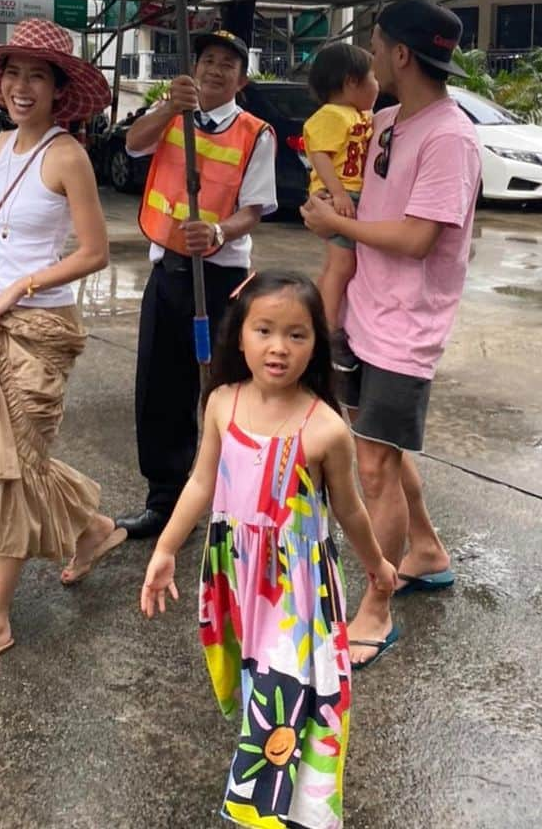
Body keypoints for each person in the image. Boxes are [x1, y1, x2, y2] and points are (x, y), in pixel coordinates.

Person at [140, 272, 397, 829]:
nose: (279, 347)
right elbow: (201, 484)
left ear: (316, 346)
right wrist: (165, 549)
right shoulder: (222, 404)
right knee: (261, 684)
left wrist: (376, 565)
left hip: (297, 593)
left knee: (282, 698)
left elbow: (349, 510)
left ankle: (268, 812)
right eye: (264, 330)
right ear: (241, 338)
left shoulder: (325, 428)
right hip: (235, 577)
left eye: (297, 335)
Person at [0, 19, 125, 679]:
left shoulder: (67, 155)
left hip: (42, 330)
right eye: (13, 73)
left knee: (11, 469)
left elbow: (95, 253)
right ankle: (93, 528)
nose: (21, 86)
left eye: (36, 76)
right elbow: (4, 236)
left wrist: (24, 286)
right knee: (8, 457)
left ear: (58, 88)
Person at [300, 0, 482, 669]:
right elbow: (369, 210)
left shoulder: (449, 137)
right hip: (364, 313)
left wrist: (336, 227)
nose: (371, 58)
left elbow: (414, 238)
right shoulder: (381, 124)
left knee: (372, 463)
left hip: (408, 328)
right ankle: (426, 550)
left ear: (401, 54)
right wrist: (334, 211)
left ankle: (375, 607)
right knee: (384, 450)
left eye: (376, 46)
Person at [115, 30, 278, 541]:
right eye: (206, 59)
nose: (214, 69)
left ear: (242, 78)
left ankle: (232, 502)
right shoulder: (170, 116)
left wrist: (219, 231)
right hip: (169, 273)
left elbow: (254, 207)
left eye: (227, 63)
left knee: (224, 391)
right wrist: (167, 109)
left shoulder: (256, 133)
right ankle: (164, 500)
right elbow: (133, 145)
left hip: (222, 278)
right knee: (159, 389)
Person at [301, 43, 378, 343]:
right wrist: (338, 193)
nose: (377, 84)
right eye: (372, 77)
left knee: (343, 263)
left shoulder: (357, 114)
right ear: (351, 82)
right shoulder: (333, 114)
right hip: (340, 196)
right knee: (341, 264)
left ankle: (326, 322)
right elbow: (319, 154)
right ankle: (326, 330)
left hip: (350, 194)